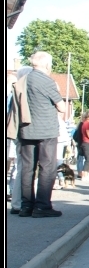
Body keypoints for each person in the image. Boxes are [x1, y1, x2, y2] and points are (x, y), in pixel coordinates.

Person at [17, 52, 67, 218]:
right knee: (47, 167)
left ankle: (26, 206)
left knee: (27, 169)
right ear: (47, 64)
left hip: (26, 129)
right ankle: (42, 206)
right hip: (46, 130)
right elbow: (62, 107)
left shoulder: (23, 79)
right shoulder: (46, 81)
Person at [7, 66, 32, 214]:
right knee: (22, 167)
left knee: (21, 167)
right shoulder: (19, 91)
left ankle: (18, 202)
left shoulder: (14, 92)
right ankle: (18, 203)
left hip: (17, 133)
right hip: (22, 133)